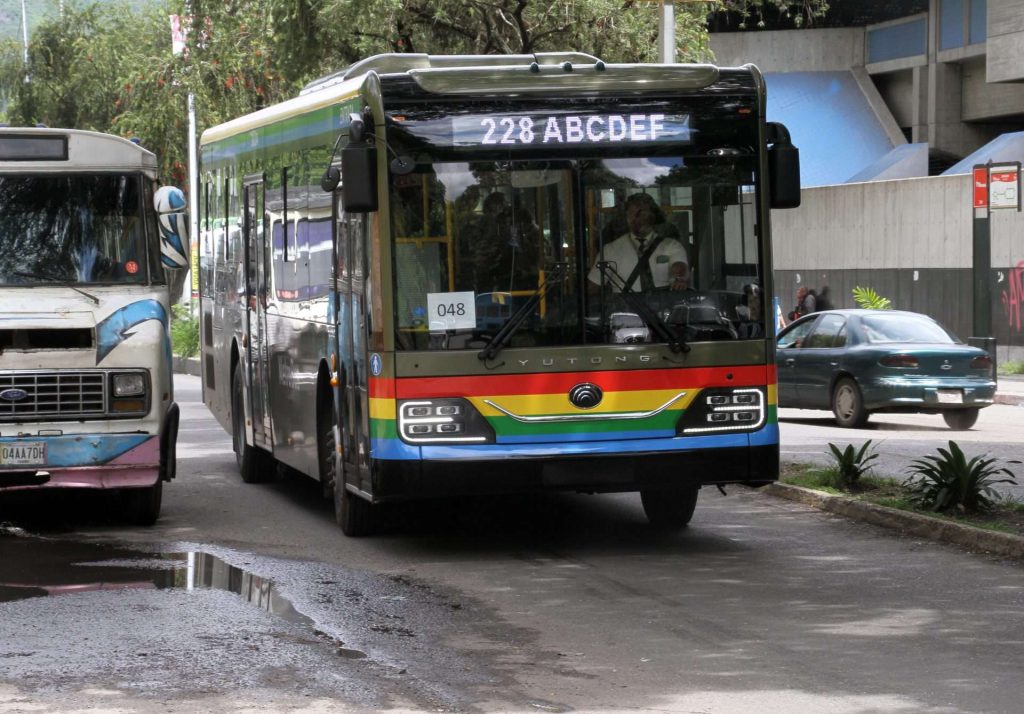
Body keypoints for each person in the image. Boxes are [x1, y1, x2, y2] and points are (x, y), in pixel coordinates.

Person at [588, 192, 689, 292]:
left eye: (641, 213)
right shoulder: (610, 250)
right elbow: (593, 288)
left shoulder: (671, 246)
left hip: (662, 307)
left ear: (653, 215)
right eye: (630, 214)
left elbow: (679, 265)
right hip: (624, 308)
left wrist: (679, 279)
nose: (635, 219)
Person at [468, 192, 543, 293]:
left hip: (524, 280)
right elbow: (479, 256)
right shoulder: (485, 227)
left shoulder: (520, 219)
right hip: (496, 280)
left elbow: (538, 245)